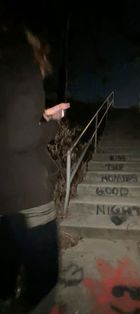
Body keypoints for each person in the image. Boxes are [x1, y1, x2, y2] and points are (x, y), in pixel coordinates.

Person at [0, 21, 70, 313]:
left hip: (4, 197)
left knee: (5, 270)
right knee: (44, 278)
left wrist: (40, 116)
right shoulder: (25, 69)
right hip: (28, 194)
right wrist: (52, 123)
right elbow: (20, 137)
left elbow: (10, 128)